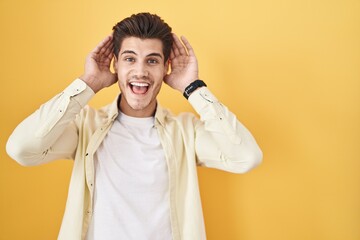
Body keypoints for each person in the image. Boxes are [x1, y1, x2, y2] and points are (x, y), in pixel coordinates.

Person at [6, 12, 262, 240]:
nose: (140, 71)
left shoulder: (186, 132)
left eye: (152, 61)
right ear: (115, 64)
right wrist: (88, 83)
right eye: (130, 59)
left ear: (165, 69)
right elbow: (21, 149)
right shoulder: (86, 126)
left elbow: (246, 157)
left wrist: (192, 88)